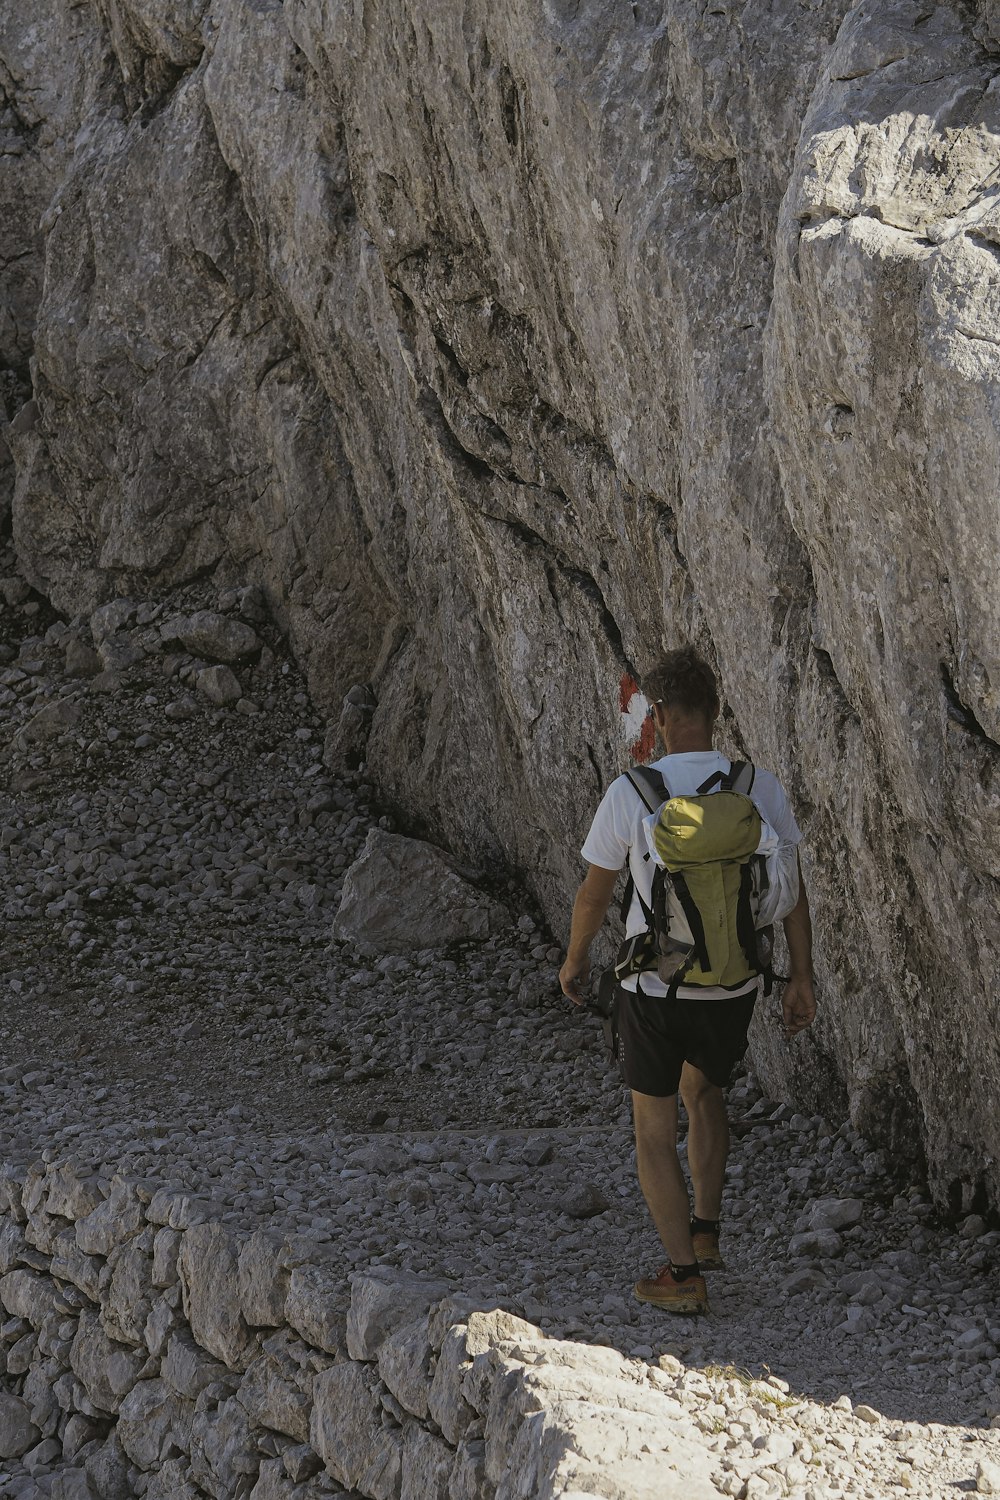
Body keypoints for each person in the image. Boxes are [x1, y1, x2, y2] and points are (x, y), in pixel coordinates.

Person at [559, 647, 816, 1314]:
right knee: (705, 1095)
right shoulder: (757, 787)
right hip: (734, 986)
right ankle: (705, 1233)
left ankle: (681, 1276)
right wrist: (801, 979)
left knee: (652, 1129)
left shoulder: (634, 792)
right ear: (715, 712)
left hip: (655, 989)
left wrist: (574, 959)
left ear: (663, 716)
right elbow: (791, 891)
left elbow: (594, 894)